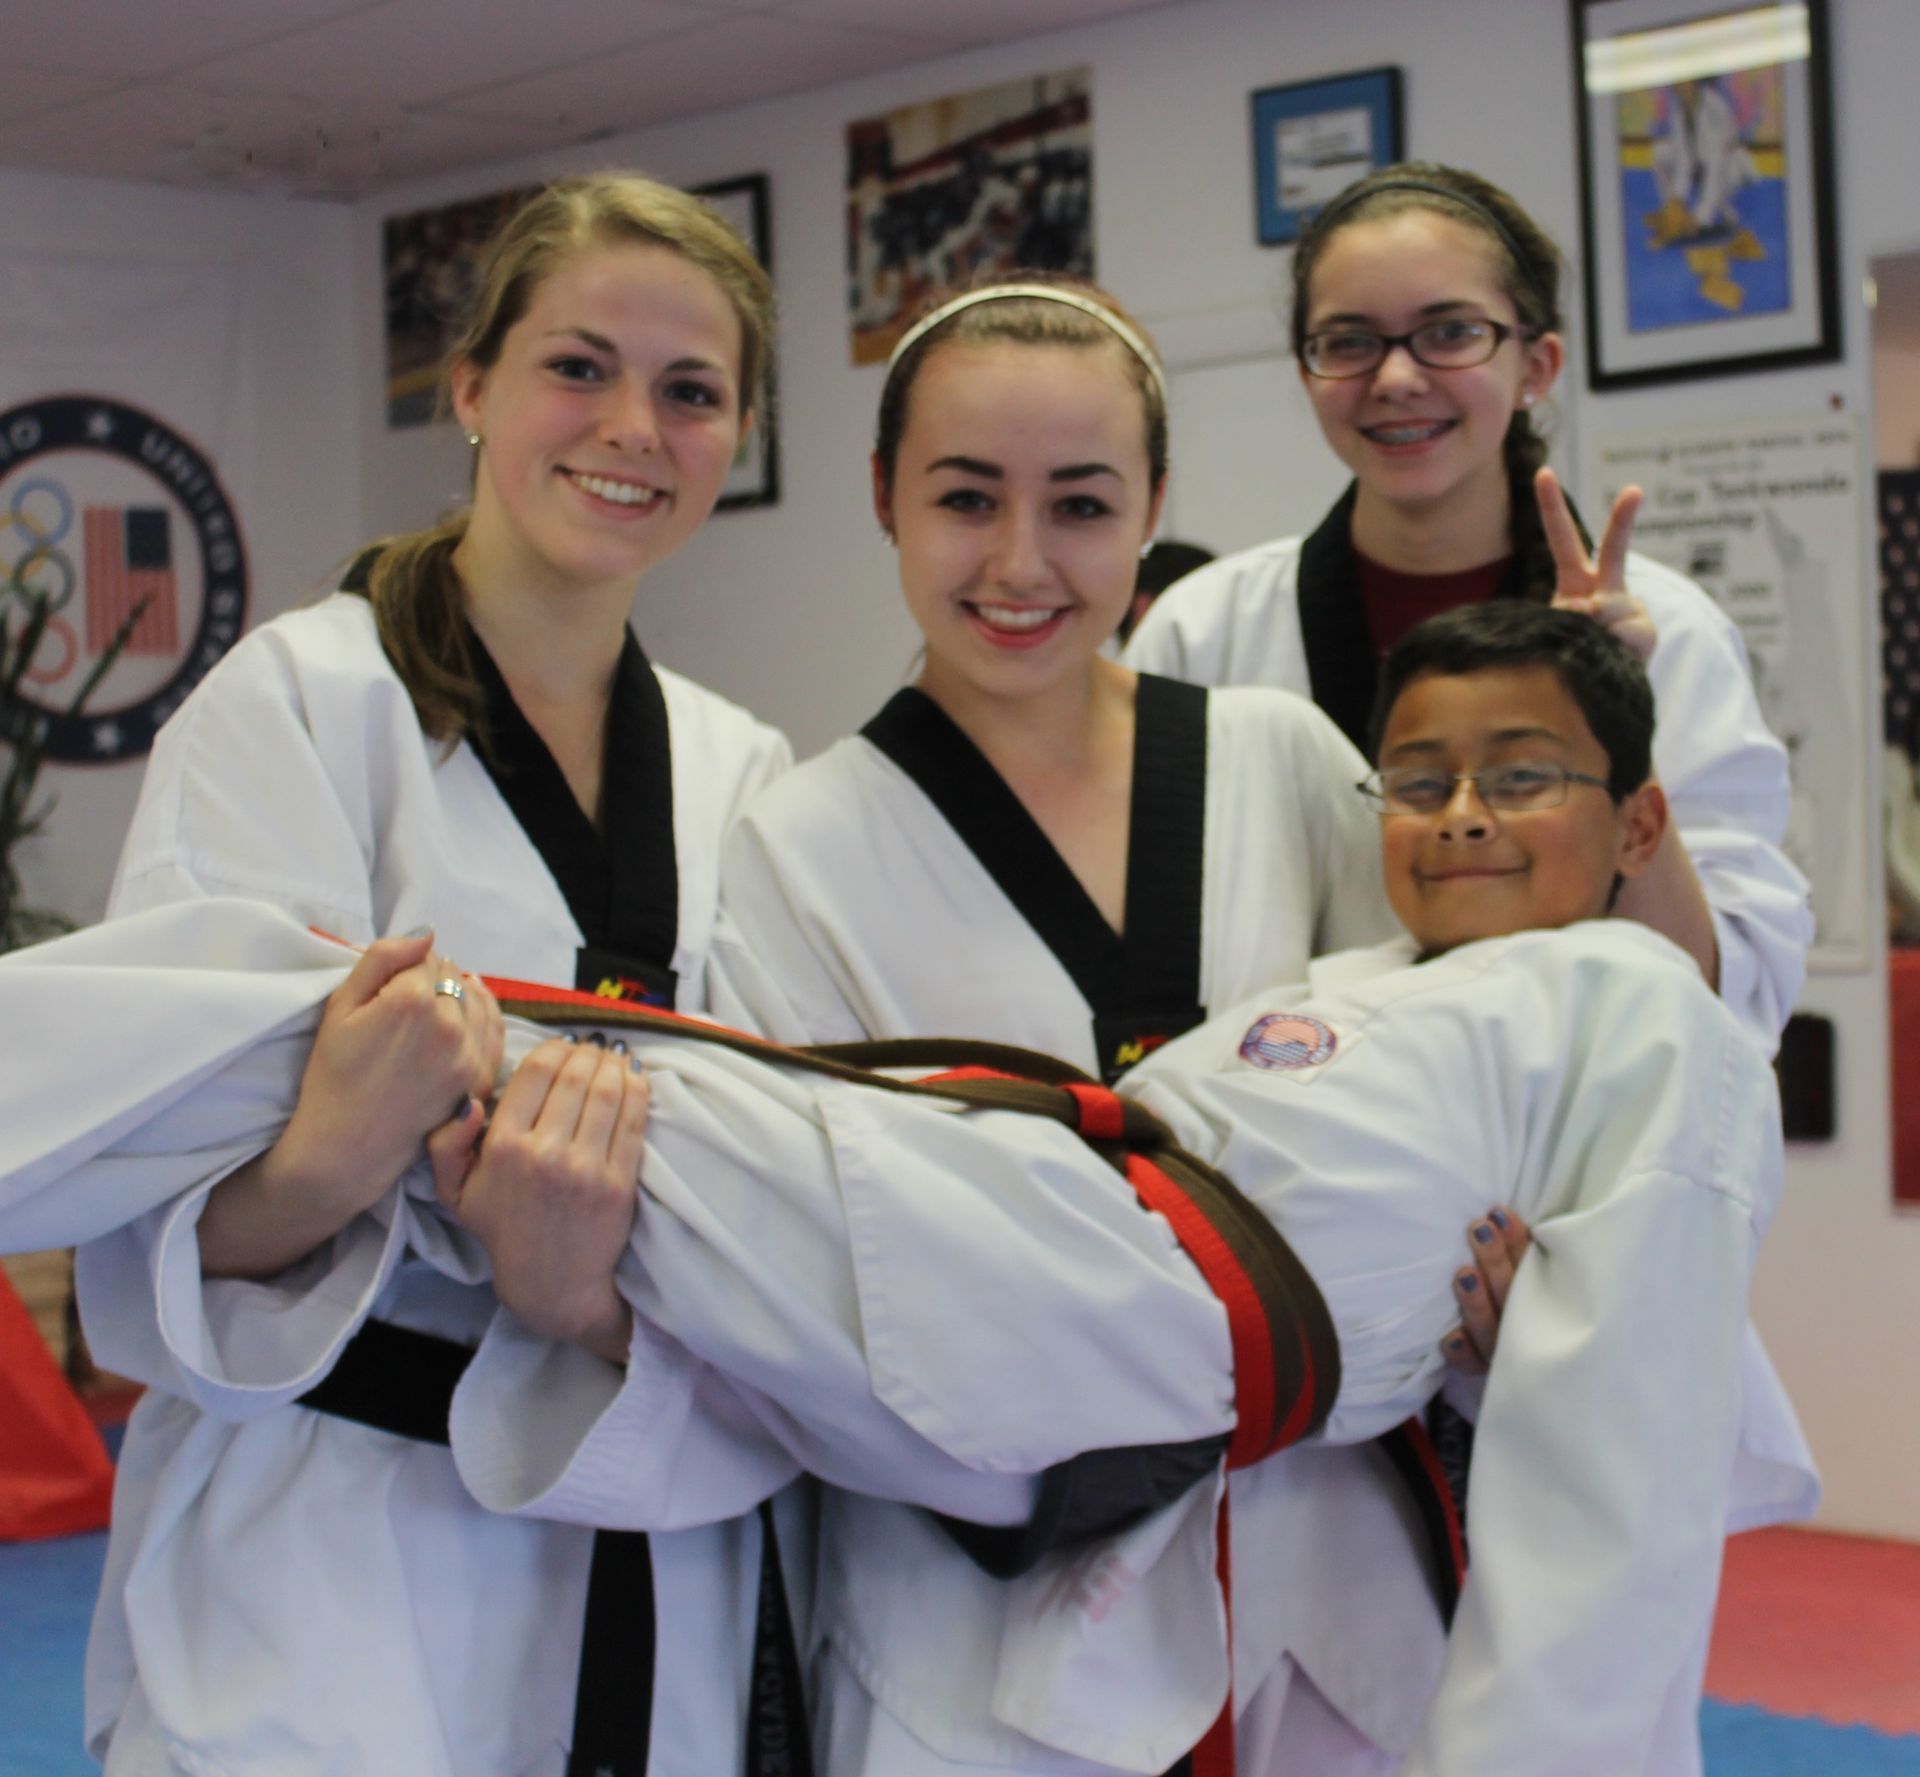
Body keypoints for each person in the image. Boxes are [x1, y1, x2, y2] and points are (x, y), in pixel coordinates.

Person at [0, 603, 1812, 1776]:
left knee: (430, 1040)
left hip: (1125, 1287)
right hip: (1053, 1255)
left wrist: (1525, 1356)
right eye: (1419, 779)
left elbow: (1621, 1502)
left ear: (1642, 827)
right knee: (468, 1064)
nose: (1464, 813)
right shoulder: (1369, 982)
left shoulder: (1657, 1019)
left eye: (1524, 778)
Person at [53, 174, 801, 1777]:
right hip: (323, 1543)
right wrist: (335, 1153)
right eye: (579, 366)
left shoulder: (743, 771)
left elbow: (769, 1203)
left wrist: (569, 1278)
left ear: (738, 437)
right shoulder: (301, 705)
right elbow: (165, 1241)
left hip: (633, 1499)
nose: (633, 427)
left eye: (691, 392)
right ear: (471, 386)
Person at [689, 275, 1416, 1772]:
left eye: (1081, 504)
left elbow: (1427, 1104)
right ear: (883, 496)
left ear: (1155, 502)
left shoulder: (1281, 761)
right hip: (979, 1601)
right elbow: (820, 1281)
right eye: (966, 498)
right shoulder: (797, 849)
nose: (1020, 561)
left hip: (1318, 1556)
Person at [1121, 160, 1811, 1050]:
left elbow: (1727, 995)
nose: (1396, 377)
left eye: (1450, 333)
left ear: (1536, 364)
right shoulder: (1200, 632)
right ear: (1307, 371)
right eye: (1349, 341)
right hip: (1283, 1117)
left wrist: (1617, 719)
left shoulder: (1665, 631)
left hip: (1574, 1118)